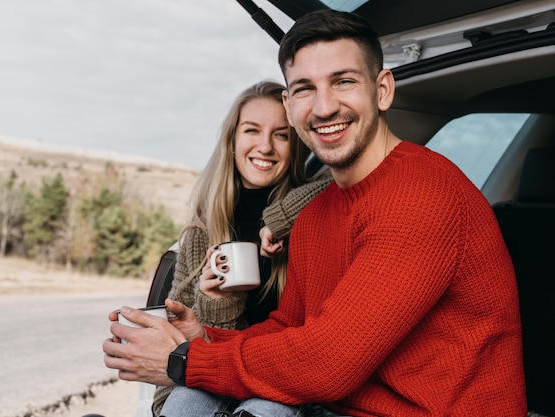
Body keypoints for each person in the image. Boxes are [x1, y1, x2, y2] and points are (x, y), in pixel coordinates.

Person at [103, 9, 526, 417]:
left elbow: (328, 362)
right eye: (305, 88)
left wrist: (184, 361)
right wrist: (203, 337)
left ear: (382, 90)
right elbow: (289, 328)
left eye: (343, 82)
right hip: (333, 407)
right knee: (190, 402)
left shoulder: (423, 194)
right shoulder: (316, 214)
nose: (323, 108)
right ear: (289, 104)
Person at [149, 80, 330, 416]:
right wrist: (218, 304)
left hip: (287, 380)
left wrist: (283, 217)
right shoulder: (201, 232)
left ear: (297, 145)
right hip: (220, 377)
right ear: (232, 140)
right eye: (251, 130)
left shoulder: (318, 213)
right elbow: (182, 342)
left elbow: (356, 175)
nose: (265, 146)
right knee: (185, 405)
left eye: (281, 134)